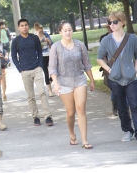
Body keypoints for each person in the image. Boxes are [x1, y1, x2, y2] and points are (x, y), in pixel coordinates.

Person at [49, 20, 94, 149]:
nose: (68, 32)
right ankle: (72, 134)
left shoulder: (79, 45)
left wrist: (91, 80)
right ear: (60, 32)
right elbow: (52, 68)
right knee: (70, 112)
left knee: (81, 109)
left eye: (70, 30)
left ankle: (85, 141)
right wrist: (56, 83)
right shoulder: (56, 47)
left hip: (79, 79)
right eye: (65, 30)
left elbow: (87, 64)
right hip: (64, 82)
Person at [97, 11, 137, 142]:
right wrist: (109, 69)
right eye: (110, 22)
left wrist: (135, 70)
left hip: (131, 78)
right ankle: (127, 131)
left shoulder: (132, 38)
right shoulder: (106, 40)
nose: (112, 24)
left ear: (122, 22)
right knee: (121, 106)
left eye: (115, 22)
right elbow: (99, 58)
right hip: (115, 78)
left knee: (134, 104)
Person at [11, 18, 53, 126]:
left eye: (26, 25)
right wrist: (20, 69)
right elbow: (14, 57)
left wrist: (40, 65)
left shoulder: (34, 38)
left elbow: (39, 51)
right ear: (18, 27)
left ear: (28, 26)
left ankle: (48, 116)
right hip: (25, 71)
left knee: (42, 92)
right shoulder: (16, 41)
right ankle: (36, 117)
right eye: (22, 26)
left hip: (36, 69)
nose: (24, 27)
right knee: (30, 96)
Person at [99, 25, 118, 116]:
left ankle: (125, 107)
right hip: (110, 67)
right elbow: (102, 54)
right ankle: (115, 105)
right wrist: (107, 67)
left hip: (123, 67)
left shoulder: (123, 37)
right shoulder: (104, 38)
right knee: (114, 89)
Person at [34, 22, 54, 97]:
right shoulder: (35, 38)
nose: (41, 31)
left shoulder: (46, 35)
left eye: (42, 30)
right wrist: (39, 46)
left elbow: (52, 44)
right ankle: (50, 91)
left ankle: (50, 81)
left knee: (53, 70)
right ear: (37, 30)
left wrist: (49, 41)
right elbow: (34, 49)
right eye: (40, 30)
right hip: (42, 56)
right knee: (46, 72)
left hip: (49, 55)